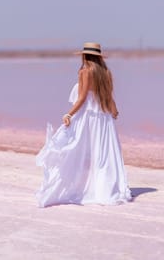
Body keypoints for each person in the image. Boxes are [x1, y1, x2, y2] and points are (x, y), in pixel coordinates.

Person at [36, 42, 132, 207]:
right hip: (103, 118)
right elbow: (109, 97)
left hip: (88, 116)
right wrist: (115, 111)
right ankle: (104, 190)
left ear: (84, 55)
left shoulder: (85, 71)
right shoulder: (105, 72)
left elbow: (81, 99)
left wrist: (69, 114)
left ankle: (79, 186)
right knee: (102, 155)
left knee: (76, 149)